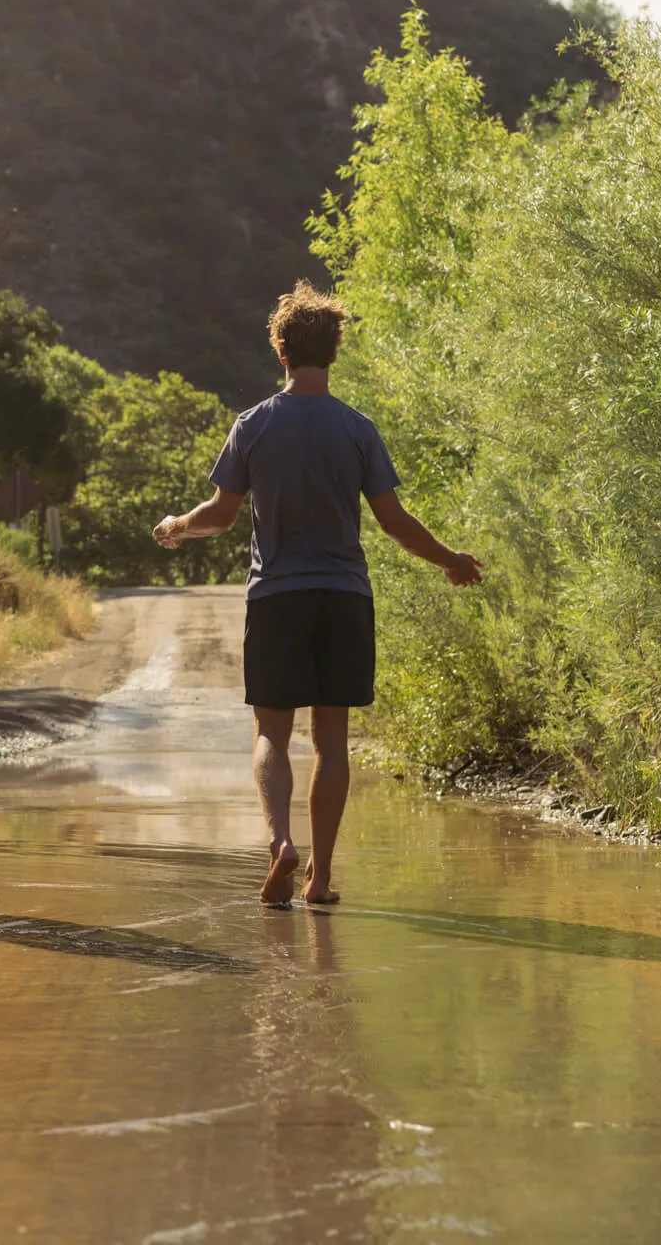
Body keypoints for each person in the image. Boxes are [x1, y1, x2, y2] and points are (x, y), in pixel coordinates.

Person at [152, 284, 481, 906]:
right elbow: (394, 522)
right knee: (332, 741)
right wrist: (451, 560)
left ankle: (280, 843)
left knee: (271, 735)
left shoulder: (253, 425)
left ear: (280, 349)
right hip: (344, 597)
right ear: (334, 350)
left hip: (277, 597)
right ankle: (321, 878)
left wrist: (177, 525)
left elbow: (220, 515)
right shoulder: (357, 429)